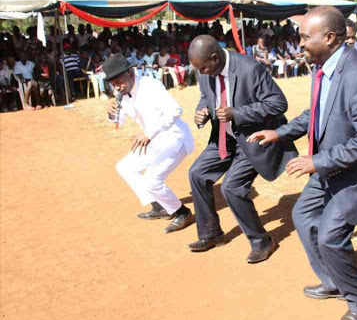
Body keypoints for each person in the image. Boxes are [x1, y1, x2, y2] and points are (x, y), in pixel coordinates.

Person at [248, 6, 357, 320]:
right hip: (331, 166)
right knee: (303, 216)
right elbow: (316, 113)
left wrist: (316, 161)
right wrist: (280, 132)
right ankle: (334, 280)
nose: (299, 42)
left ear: (330, 37)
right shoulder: (324, 66)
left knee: (331, 235)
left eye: (306, 36)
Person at [186, 35, 298, 263]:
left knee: (232, 187)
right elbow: (206, 96)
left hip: (252, 139)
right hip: (224, 138)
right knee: (196, 174)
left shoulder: (250, 68)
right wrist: (202, 112)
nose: (203, 73)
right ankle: (211, 234)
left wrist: (237, 113)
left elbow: (278, 103)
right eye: (199, 69)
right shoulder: (204, 68)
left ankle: (261, 241)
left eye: (205, 68)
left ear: (215, 58)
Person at [104, 53, 195, 233]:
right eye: (113, 84)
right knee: (125, 167)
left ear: (130, 74)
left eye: (119, 81)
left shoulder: (150, 86)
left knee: (152, 180)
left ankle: (182, 212)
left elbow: (175, 110)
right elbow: (118, 122)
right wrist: (110, 113)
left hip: (174, 139)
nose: (117, 87)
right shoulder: (121, 92)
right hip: (154, 142)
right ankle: (160, 207)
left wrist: (149, 133)